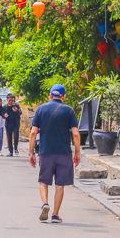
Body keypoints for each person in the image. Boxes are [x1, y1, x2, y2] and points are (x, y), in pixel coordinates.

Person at [29, 84, 81, 223]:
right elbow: (75, 134)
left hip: (46, 152)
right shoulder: (69, 110)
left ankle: (45, 204)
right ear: (63, 97)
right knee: (60, 185)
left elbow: (33, 132)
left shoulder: (41, 109)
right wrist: (77, 152)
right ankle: (55, 215)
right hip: (64, 153)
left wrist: (31, 152)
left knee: (43, 181)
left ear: (50, 96)